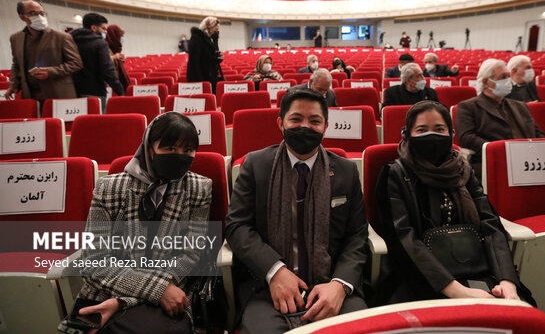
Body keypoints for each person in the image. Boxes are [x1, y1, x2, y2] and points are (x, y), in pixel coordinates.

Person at [225, 89, 368, 333]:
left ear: (326, 126)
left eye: (314, 121)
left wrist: (340, 285)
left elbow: (356, 236)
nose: (305, 127)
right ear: (281, 123)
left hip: (331, 283)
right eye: (296, 119)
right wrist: (275, 271)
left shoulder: (345, 171)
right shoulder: (256, 165)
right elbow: (237, 226)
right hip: (266, 286)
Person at [375, 101, 533, 305]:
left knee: (519, 308)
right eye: (422, 130)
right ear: (407, 135)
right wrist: (456, 290)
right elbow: (403, 238)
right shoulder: (395, 174)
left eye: (439, 129)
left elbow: (490, 224)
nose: (431, 136)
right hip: (420, 275)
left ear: (451, 133)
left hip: (476, 267)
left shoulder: (463, 170)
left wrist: (507, 280)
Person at [76, 112, 212, 334]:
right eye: (170, 149)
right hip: (108, 291)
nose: (180, 156)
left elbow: (191, 256)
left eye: (188, 150)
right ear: (150, 149)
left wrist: (130, 300)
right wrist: (154, 290)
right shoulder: (109, 188)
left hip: (173, 291)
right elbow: (94, 261)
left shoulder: (199, 188)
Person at [455, 59, 545, 181]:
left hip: (530, 161)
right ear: (486, 82)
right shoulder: (468, 107)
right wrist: (501, 150)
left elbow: (537, 133)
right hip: (496, 161)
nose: (508, 80)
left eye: (508, 76)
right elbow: (467, 138)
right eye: (503, 77)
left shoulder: (520, 106)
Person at [5, 0, 82, 102]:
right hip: (30, 95)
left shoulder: (62, 37)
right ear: (22, 17)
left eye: (42, 13)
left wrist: (50, 72)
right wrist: (13, 84)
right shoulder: (16, 38)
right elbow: (16, 64)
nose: (39, 17)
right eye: (33, 13)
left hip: (58, 93)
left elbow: (76, 63)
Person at [71, 13, 125, 113]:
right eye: (104, 28)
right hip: (94, 91)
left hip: (74, 91)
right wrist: (119, 90)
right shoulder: (100, 43)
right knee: (97, 123)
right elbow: (107, 70)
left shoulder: (70, 40)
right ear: (94, 27)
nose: (105, 32)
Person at [187, 17, 222, 94]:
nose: (216, 33)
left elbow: (212, 58)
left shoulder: (209, 39)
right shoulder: (196, 38)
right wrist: (201, 83)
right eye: (215, 30)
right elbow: (194, 63)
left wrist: (218, 55)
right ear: (209, 28)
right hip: (200, 78)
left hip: (210, 77)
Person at [105, 24, 131, 94]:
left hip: (115, 84)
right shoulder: (104, 47)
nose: (122, 38)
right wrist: (114, 57)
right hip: (109, 86)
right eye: (120, 36)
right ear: (114, 36)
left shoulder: (115, 49)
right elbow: (102, 63)